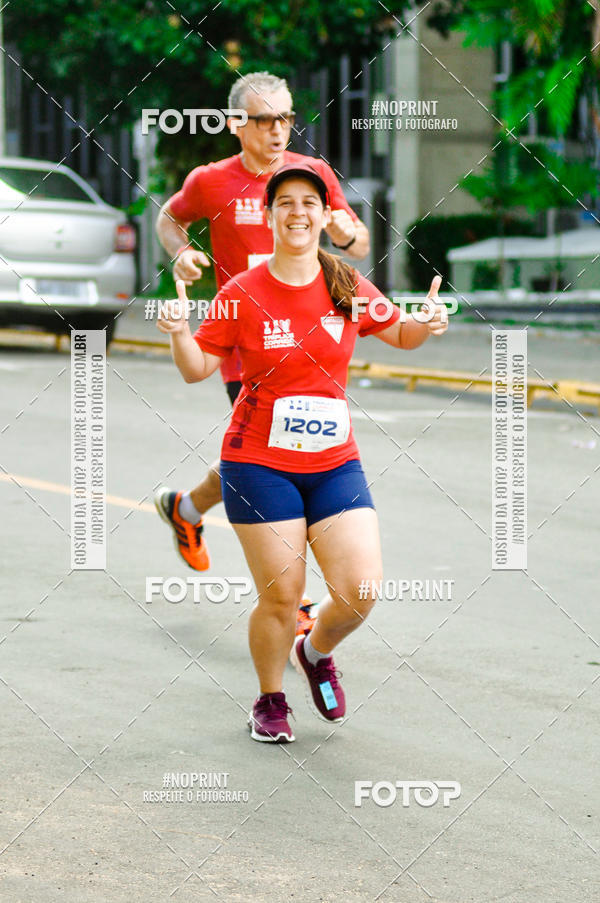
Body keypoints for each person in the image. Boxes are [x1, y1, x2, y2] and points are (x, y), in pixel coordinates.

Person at [157, 163, 448, 743]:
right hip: (258, 464)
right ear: (268, 218)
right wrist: (177, 331)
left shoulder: (344, 282)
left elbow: (399, 335)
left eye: (309, 203)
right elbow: (197, 371)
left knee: (362, 590)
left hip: (335, 463)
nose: (297, 212)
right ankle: (269, 700)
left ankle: (314, 652)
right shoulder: (242, 292)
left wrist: (425, 320)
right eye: (284, 202)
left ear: (323, 215)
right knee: (284, 595)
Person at [154, 71, 370, 576]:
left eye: (286, 118)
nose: (278, 130)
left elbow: (355, 244)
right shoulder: (210, 180)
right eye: (265, 119)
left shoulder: (311, 173)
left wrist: (347, 232)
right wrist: (182, 253)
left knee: (263, 449)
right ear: (236, 124)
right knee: (276, 452)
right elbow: (170, 218)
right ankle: (291, 597)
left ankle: (185, 509)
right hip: (242, 342)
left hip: (311, 340)